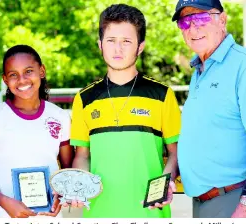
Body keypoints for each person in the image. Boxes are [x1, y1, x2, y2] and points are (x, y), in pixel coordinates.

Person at [67, 4, 181, 218]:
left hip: (149, 212)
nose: (117, 49)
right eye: (111, 41)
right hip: (99, 213)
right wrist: (79, 186)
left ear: (140, 46)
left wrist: (166, 185)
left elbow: (175, 153)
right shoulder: (84, 99)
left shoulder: (163, 94)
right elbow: (82, 156)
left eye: (126, 41)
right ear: (100, 45)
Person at [172, 0, 246, 218]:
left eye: (201, 18)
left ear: (222, 19)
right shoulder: (200, 70)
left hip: (237, 199)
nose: (193, 28)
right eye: (185, 22)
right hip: (205, 202)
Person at [0, 45, 74, 218]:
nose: (22, 80)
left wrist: (62, 196)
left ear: (42, 71)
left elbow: (69, 170)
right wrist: (4, 202)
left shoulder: (60, 116)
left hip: (49, 216)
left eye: (28, 71)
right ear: (5, 80)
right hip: (7, 215)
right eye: (13, 74)